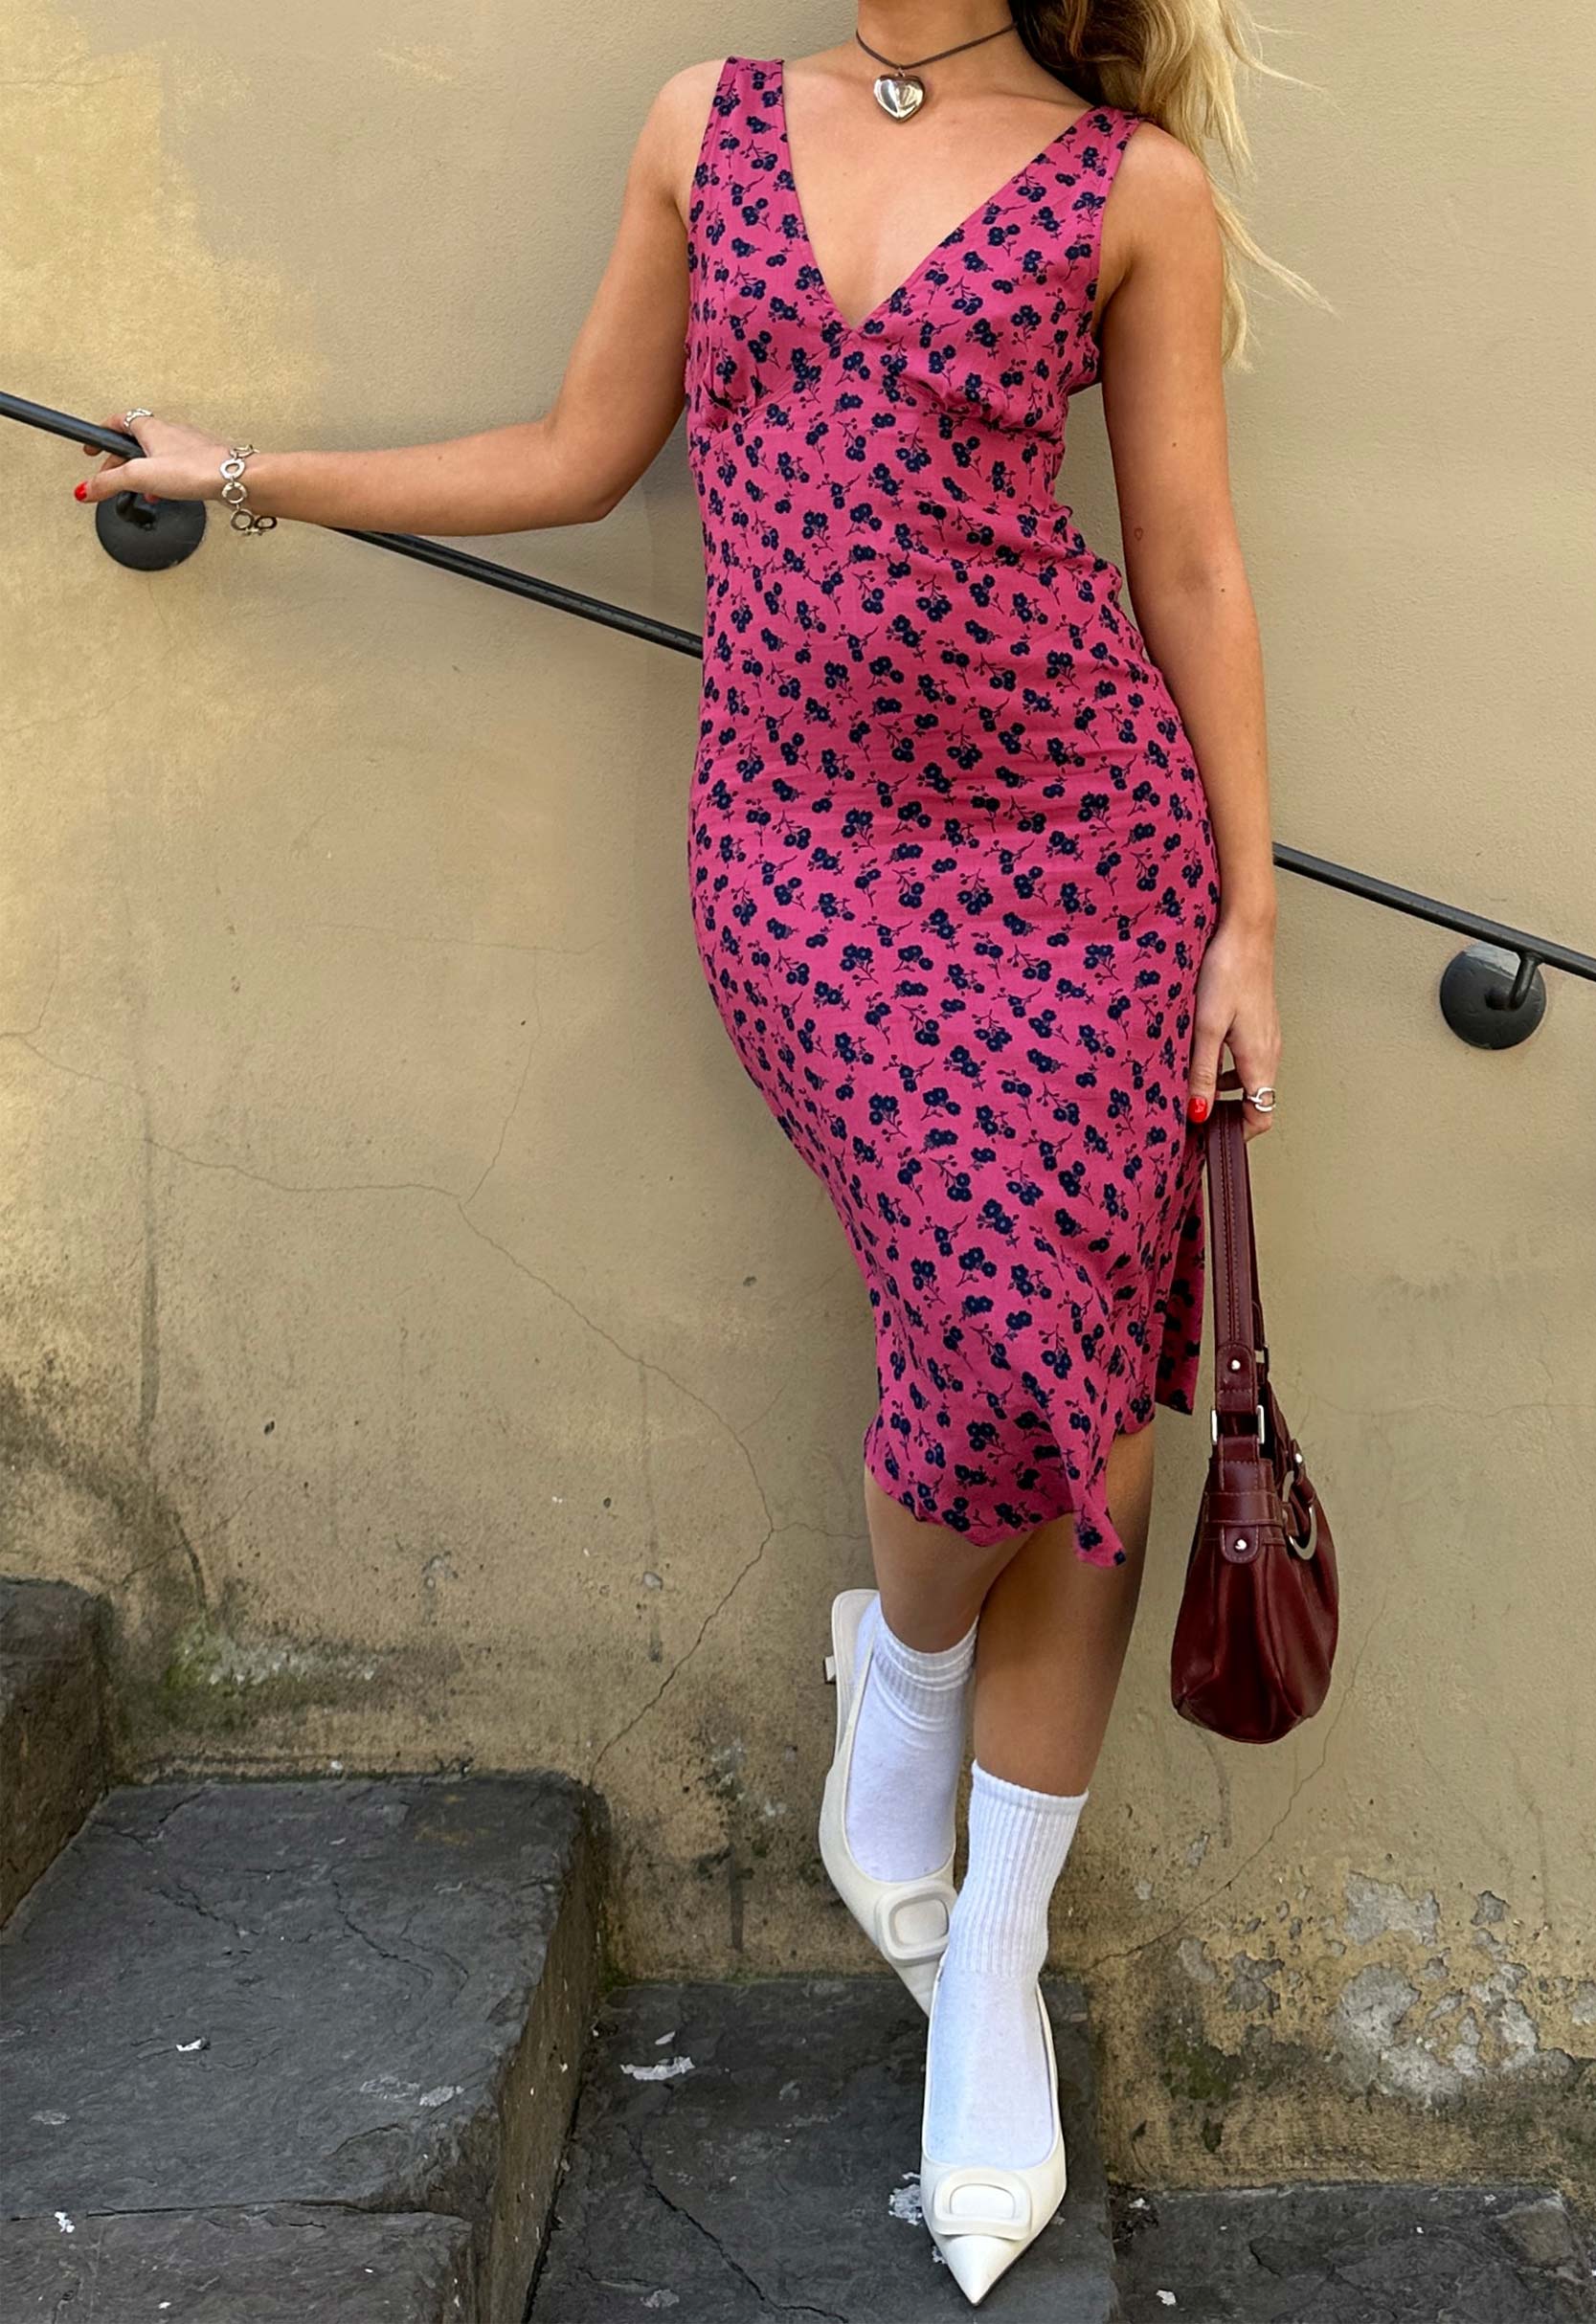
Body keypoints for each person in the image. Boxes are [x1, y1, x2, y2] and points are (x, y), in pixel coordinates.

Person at [78, 6, 1310, 2301]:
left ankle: (991, 1973)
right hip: (802, 846)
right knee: (998, 1357)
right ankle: (905, 1682)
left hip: (1085, 842)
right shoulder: (710, 128)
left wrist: (1246, 920)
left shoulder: (1128, 188)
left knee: (1086, 1413)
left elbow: (1195, 567)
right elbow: (576, 452)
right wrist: (247, 470)